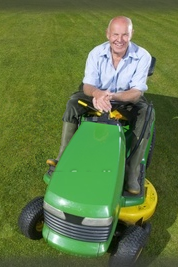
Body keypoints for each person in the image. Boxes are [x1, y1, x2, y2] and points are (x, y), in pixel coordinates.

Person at [47, 16, 154, 195]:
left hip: (125, 98)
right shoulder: (96, 53)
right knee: (73, 102)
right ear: (107, 34)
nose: (119, 40)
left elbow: (136, 92)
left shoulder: (143, 56)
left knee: (147, 113)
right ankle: (63, 156)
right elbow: (88, 85)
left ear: (131, 34)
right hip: (97, 95)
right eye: (115, 34)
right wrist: (97, 94)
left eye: (125, 35)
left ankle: (132, 171)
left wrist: (112, 96)